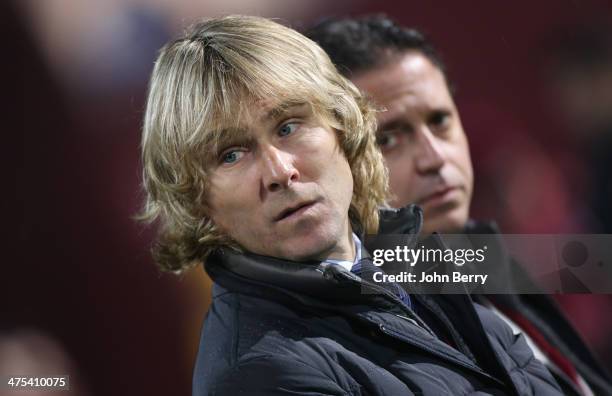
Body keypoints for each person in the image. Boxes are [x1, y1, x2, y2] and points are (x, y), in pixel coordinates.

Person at [139, 15, 564, 395]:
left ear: (344, 126)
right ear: (197, 199)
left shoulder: (428, 261)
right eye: (230, 154)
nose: (279, 170)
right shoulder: (257, 376)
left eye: (288, 126)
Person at [307, 15, 612, 395]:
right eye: (388, 140)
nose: (434, 157)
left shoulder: (480, 263)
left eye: (440, 122)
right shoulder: (334, 341)